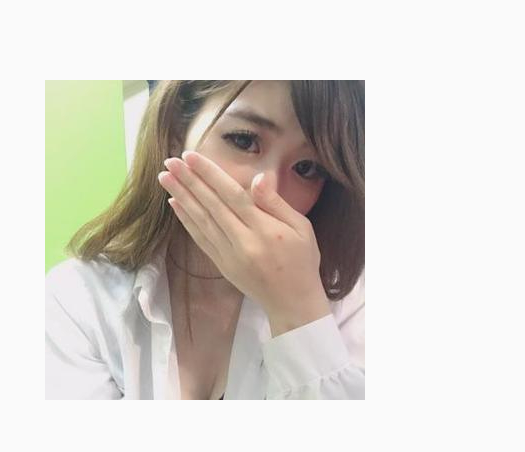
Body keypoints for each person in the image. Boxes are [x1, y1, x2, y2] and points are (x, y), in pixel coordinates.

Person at [45, 81, 365, 400]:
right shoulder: (78, 299)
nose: (267, 190)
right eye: (244, 140)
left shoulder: (347, 303)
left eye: (307, 168)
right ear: (176, 132)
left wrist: (297, 312)